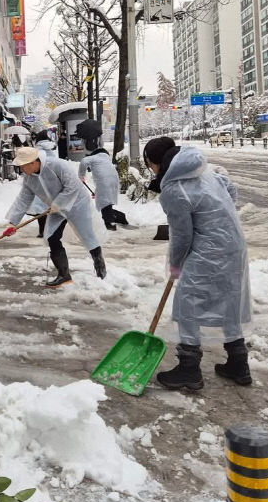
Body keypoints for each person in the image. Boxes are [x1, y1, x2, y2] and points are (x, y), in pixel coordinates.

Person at [143, 137, 251, 391]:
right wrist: (219, 218)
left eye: (149, 164)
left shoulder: (173, 189)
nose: (151, 170)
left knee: (187, 304)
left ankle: (189, 368)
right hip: (234, 245)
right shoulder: (203, 170)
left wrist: (176, 265)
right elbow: (230, 189)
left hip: (208, 251)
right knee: (229, 301)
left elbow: (182, 236)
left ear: (157, 163)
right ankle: (239, 362)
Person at [4, 146, 107, 287]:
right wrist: (12, 223)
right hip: (55, 209)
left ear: (33, 162)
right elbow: (23, 200)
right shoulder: (29, 179)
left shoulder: (58, 165)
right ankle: (64, 275)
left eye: (22, 166)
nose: (22, 170)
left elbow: (73, 186)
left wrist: (59, 203)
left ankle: (101, 269)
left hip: (77, 203)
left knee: (87, 236)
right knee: (51, 237)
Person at [77, 145, 124, 230]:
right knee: (107, 202)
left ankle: (110, 224)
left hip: (104, 181)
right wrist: (98, 193)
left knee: (104, 204)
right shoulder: (106, 160)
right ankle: (116, 219)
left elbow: (84, 161)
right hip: (114, 180)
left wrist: (81, 176)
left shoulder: (94, 158)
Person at [28, 130, 58, 237]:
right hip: (52, 183)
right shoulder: (51, 151)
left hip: (39, 181)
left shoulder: (36, 152)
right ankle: (51, 230)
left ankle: (42, 231)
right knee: (50, 208)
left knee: (39, 209)